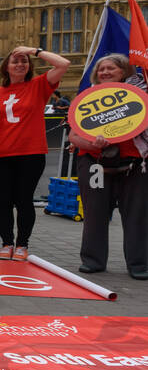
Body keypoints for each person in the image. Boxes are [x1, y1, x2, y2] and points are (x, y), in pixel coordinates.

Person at [0, 45, 71, 261]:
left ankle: (22, 244)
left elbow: (63, 64)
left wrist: (34, 50)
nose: (20, 64)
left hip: (31, 153)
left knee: (24, 200)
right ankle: (6, 243)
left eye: (24, 61)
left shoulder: (39, 85)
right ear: (6, 67)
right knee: (4, 200)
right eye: (15, 61)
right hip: (0, 154)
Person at [68, 53, 147, 279]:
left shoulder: (141, 96)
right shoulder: (86, 97)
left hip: (134, 165)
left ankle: (139, 264)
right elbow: (73, 136)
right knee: (95, 213)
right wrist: (93, 144)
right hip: (95, 164)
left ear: (124, 71)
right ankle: (92, 261)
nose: (104, 72)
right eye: (101, 69)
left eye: (111, 68)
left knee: (137, 215)